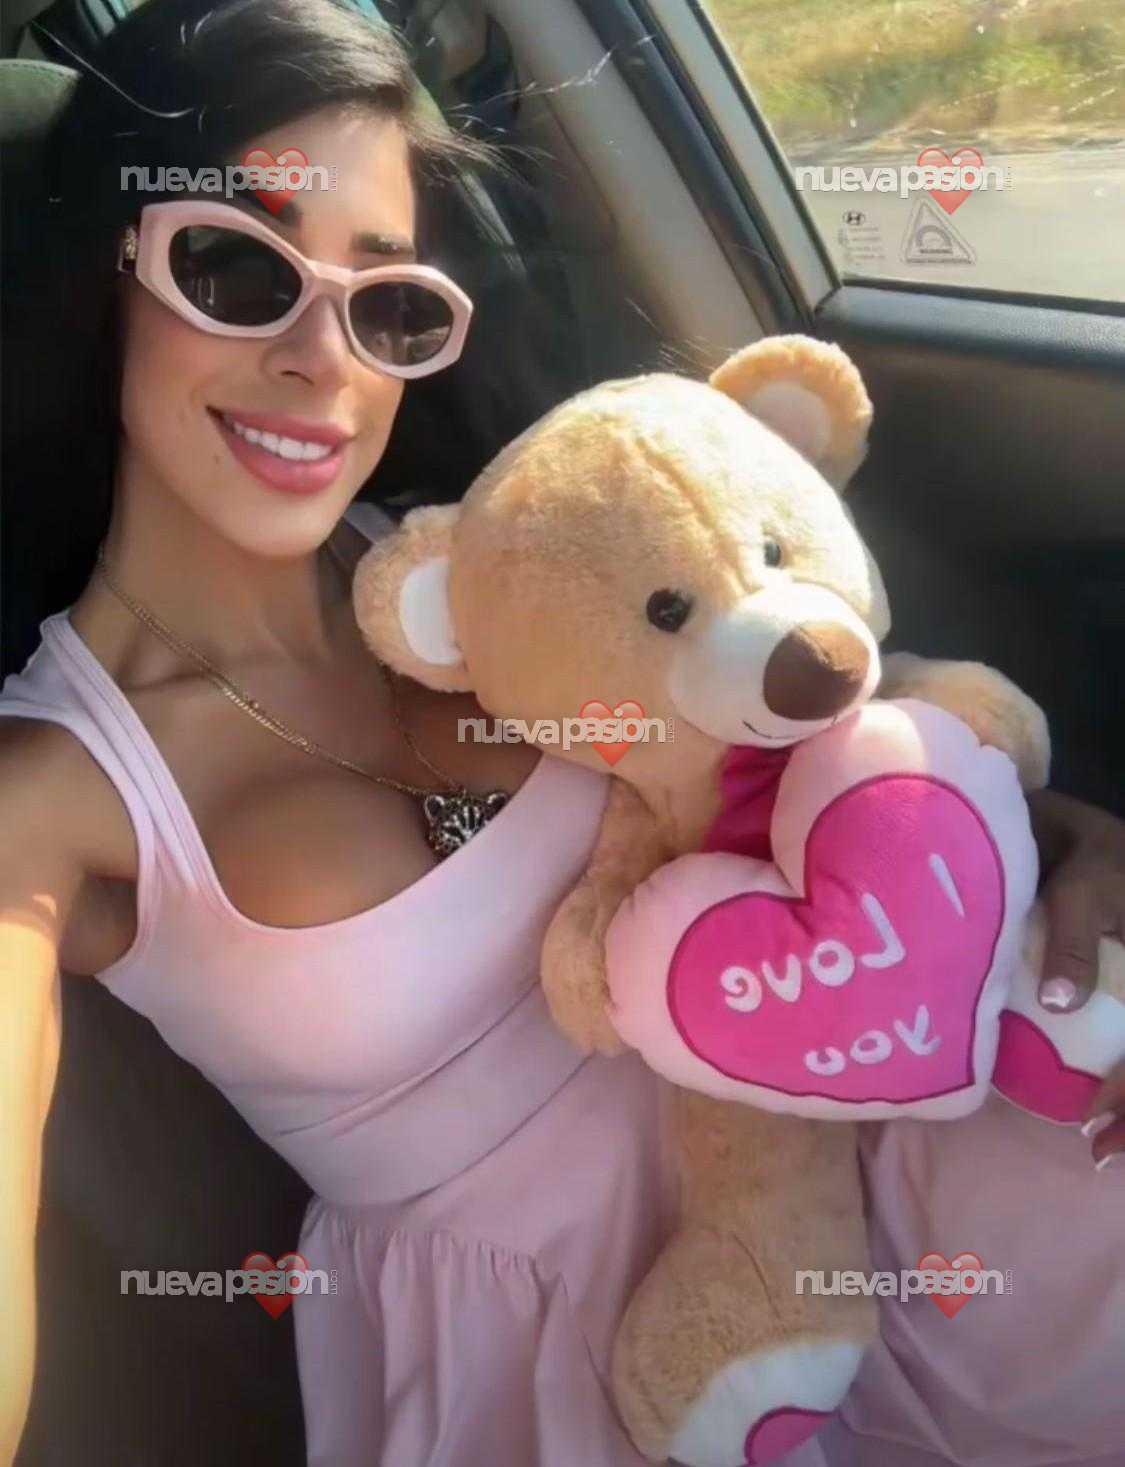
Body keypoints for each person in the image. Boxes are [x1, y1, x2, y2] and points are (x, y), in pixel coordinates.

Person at [0, 1, 1121, 1464]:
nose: (324, 361)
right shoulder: (57, 787)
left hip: (849, 1156)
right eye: (234, 269)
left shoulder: (500, 568)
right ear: (107, 272)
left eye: (386, 301)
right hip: (560, 1362)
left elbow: (775, 724)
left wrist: (1048, 841)